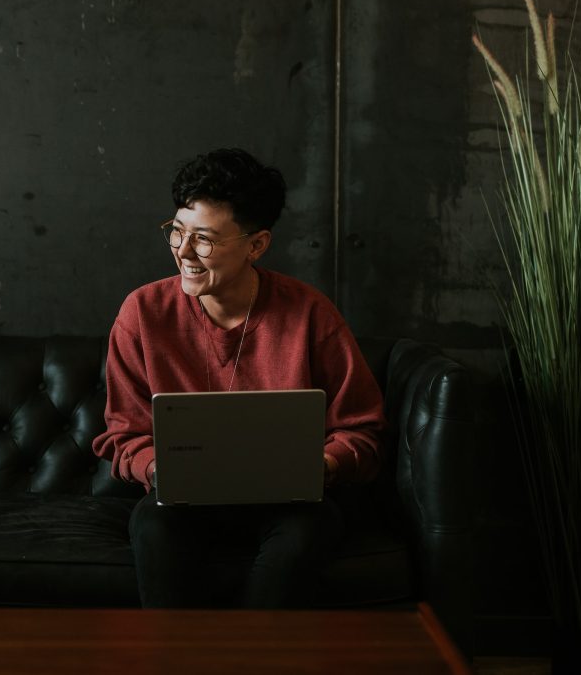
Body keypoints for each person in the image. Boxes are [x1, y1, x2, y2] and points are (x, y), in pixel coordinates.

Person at [92, 147, 386, 608]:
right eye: (177, 231)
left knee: (311, 528)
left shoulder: (310, 313)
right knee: (152, 525)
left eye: (204, 239)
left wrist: (321, 466)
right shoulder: (143, 313)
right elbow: (124, 433)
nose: (184, 252)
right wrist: (156, 468)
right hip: (182, 505)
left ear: (257, 244)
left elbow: (361, 429)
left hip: (289, 505)